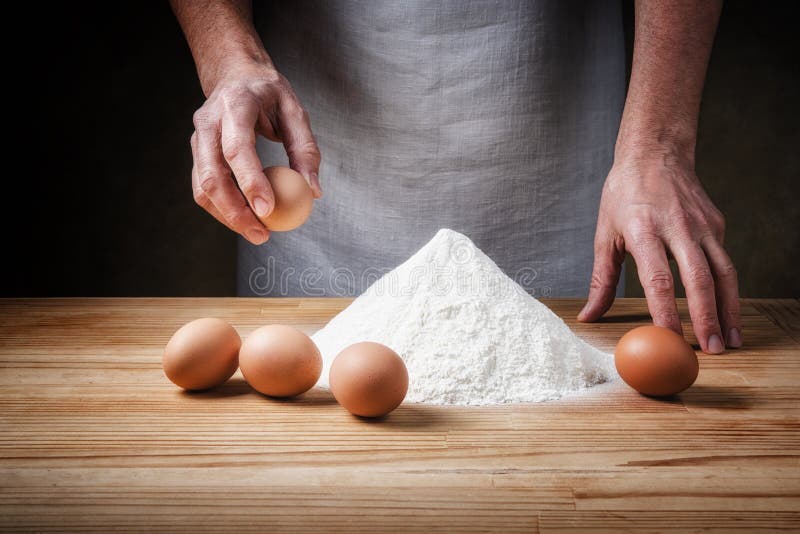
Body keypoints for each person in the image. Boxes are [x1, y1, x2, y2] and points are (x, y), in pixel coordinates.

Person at [170, 0, 741, 354]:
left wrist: (656, 145)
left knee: (563, 348)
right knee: (310, 364)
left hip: (555, 117)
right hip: (323, 127)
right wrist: (229, 58)